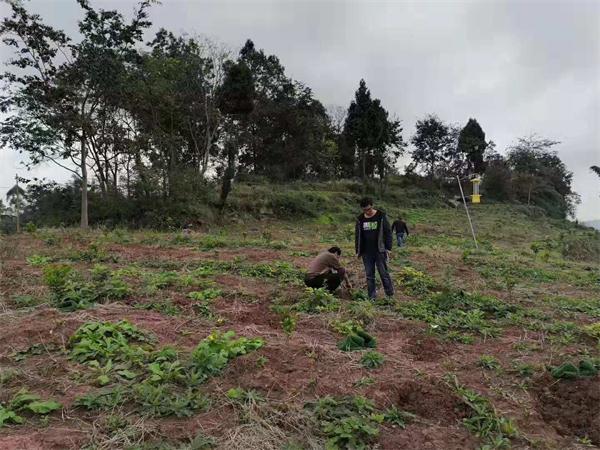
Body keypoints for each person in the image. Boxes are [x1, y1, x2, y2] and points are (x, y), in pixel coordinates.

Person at [355, 197, 394, 299]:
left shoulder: (381, 216)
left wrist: (388, 248)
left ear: (372, 206)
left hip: (379, 250)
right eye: (364, 210)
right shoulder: (360, 219)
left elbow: (388, 232)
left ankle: (389, 295)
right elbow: (357, 236)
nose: (367, 212)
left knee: (383, 273)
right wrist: (357, 251)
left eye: (368, 209)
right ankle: (372, 297)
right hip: (366, 252)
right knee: (369, 275)